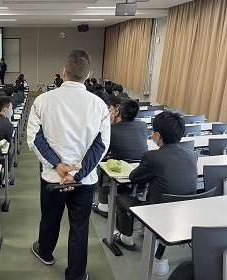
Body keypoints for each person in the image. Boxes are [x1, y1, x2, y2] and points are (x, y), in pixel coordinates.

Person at [27, 50, 110, 280]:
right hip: (84, 181)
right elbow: (101, 145)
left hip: (53, 178)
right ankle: (76, 275)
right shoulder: (99, 105)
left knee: (49, 219)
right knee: (79, 227)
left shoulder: (42, 100)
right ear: (89, 74)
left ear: (63, 72)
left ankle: (45, 252)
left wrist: (57, 165)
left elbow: (34, 139)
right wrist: (78, 174)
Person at [114, 112, 197, 275]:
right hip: (186, 211)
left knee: (121, 198)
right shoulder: (192, 154)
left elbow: (134, 178)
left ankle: (126, 238)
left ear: (158, 135)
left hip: (157, 212)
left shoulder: (152, 156)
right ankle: (153, 243)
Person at [93, 99, 148, 218]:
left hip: (120, 171)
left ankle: (103, 205)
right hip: (140, 171)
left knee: (101, 166)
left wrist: (111, 125)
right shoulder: (143, 125)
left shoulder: (111, 129)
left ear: (117, 112)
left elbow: (104, 150)